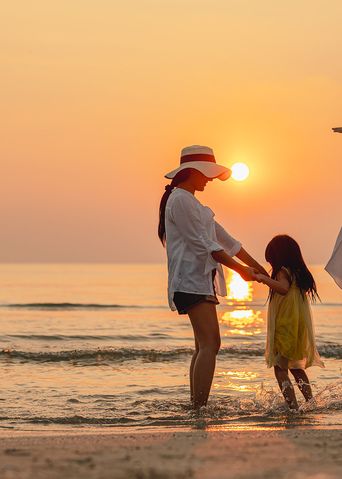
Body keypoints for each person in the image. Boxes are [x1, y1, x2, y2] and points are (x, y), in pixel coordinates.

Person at [158, 145, 268, 409]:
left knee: (203, 346)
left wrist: (259, 267)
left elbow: (227, 241)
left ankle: (196, 406)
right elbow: (204, 245)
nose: (209, 179)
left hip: (200, 280)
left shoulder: (193, 203)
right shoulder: (181, 200)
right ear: (192, 172)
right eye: (206, 174)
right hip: (190, 281)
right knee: (211, 344)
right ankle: (199, 407)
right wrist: (241, 271)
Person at [255, 235, 324, 410]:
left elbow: (283, 289)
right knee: (296, 368)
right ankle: (310, 402)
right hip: (297, 326)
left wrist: (263, 279)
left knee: (280, 368)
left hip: (285, 325)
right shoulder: (298, 273)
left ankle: (292, 406)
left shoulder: (282, 272)